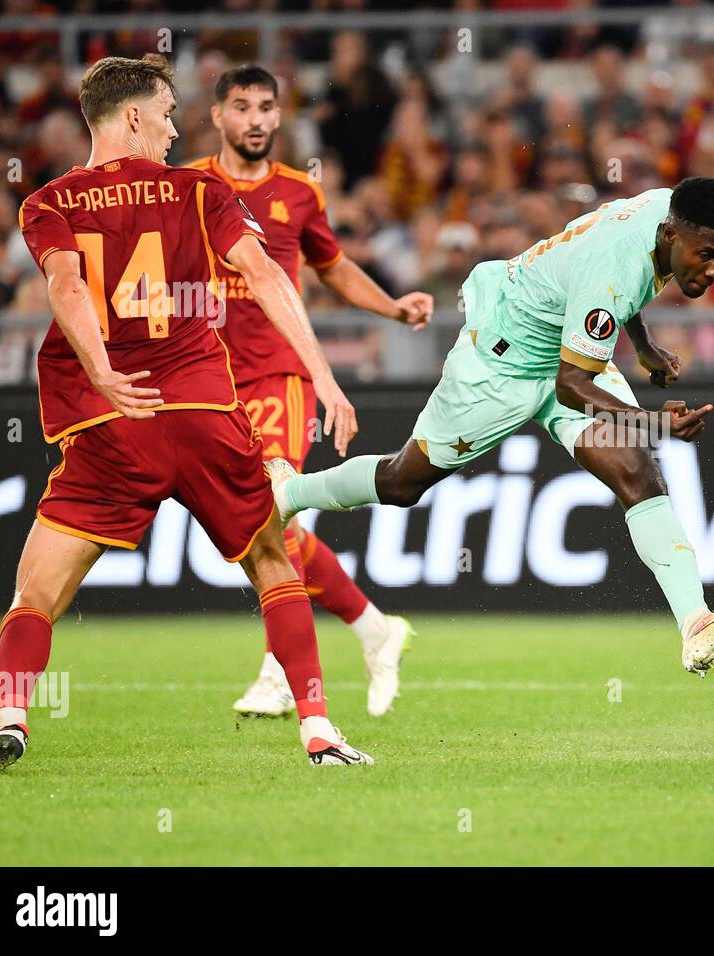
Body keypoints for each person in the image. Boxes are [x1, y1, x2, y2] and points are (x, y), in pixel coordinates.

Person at [0, 54, 372, 769]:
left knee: (36, 588)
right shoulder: (197, 191)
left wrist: (104, 373)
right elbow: (267, 273)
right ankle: (319, 731)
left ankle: (9, 714)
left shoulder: (48, 203)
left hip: (110, 428)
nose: (174, 129)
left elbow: (65, 287)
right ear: (132, 116)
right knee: (275, 562)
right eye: (167, 113)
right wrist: (324, 378)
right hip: (204, 414)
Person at [270, 177, 714, 676]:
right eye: (707, 255)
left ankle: (694, 623)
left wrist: (641, 347)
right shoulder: (614, 267)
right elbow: (576, 380)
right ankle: (292, 492)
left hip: (570, 348)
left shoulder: (666, 212)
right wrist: (653, 423)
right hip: (504, 359)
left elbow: (622, 292)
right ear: (671, 235)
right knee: (403, 482)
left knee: (637, 471)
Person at [187, 64, 434, 718]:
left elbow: (334, 267)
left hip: (280, 376)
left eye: (267, 106)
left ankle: (278, 670)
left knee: (271, 514)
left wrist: (390, 306)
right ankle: (375, 630)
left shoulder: (298, 193)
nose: (257, 119)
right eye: (242, 106)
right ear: (218, 116)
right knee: (260, 530)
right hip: (207, 385)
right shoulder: (187, 186)